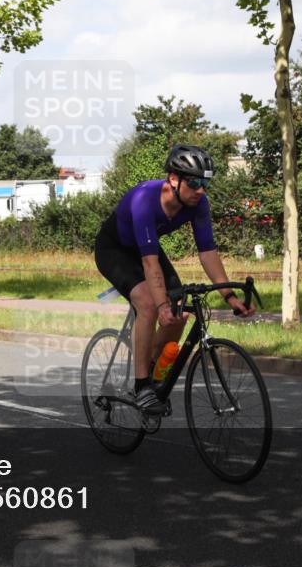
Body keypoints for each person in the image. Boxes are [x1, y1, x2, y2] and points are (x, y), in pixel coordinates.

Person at [94, 144, 255, 415]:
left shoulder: (198, 204)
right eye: (194, 182)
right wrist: (160, 305)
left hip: (147, 249)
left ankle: (156, 371)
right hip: (115, 249)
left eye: (205, 182)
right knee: (147, 303)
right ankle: (142, 385)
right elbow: (149, 262)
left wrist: (229, 296)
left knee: (178, 304)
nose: (201, 189)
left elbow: (208, 252)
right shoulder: (144, 199)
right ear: (172, 179)